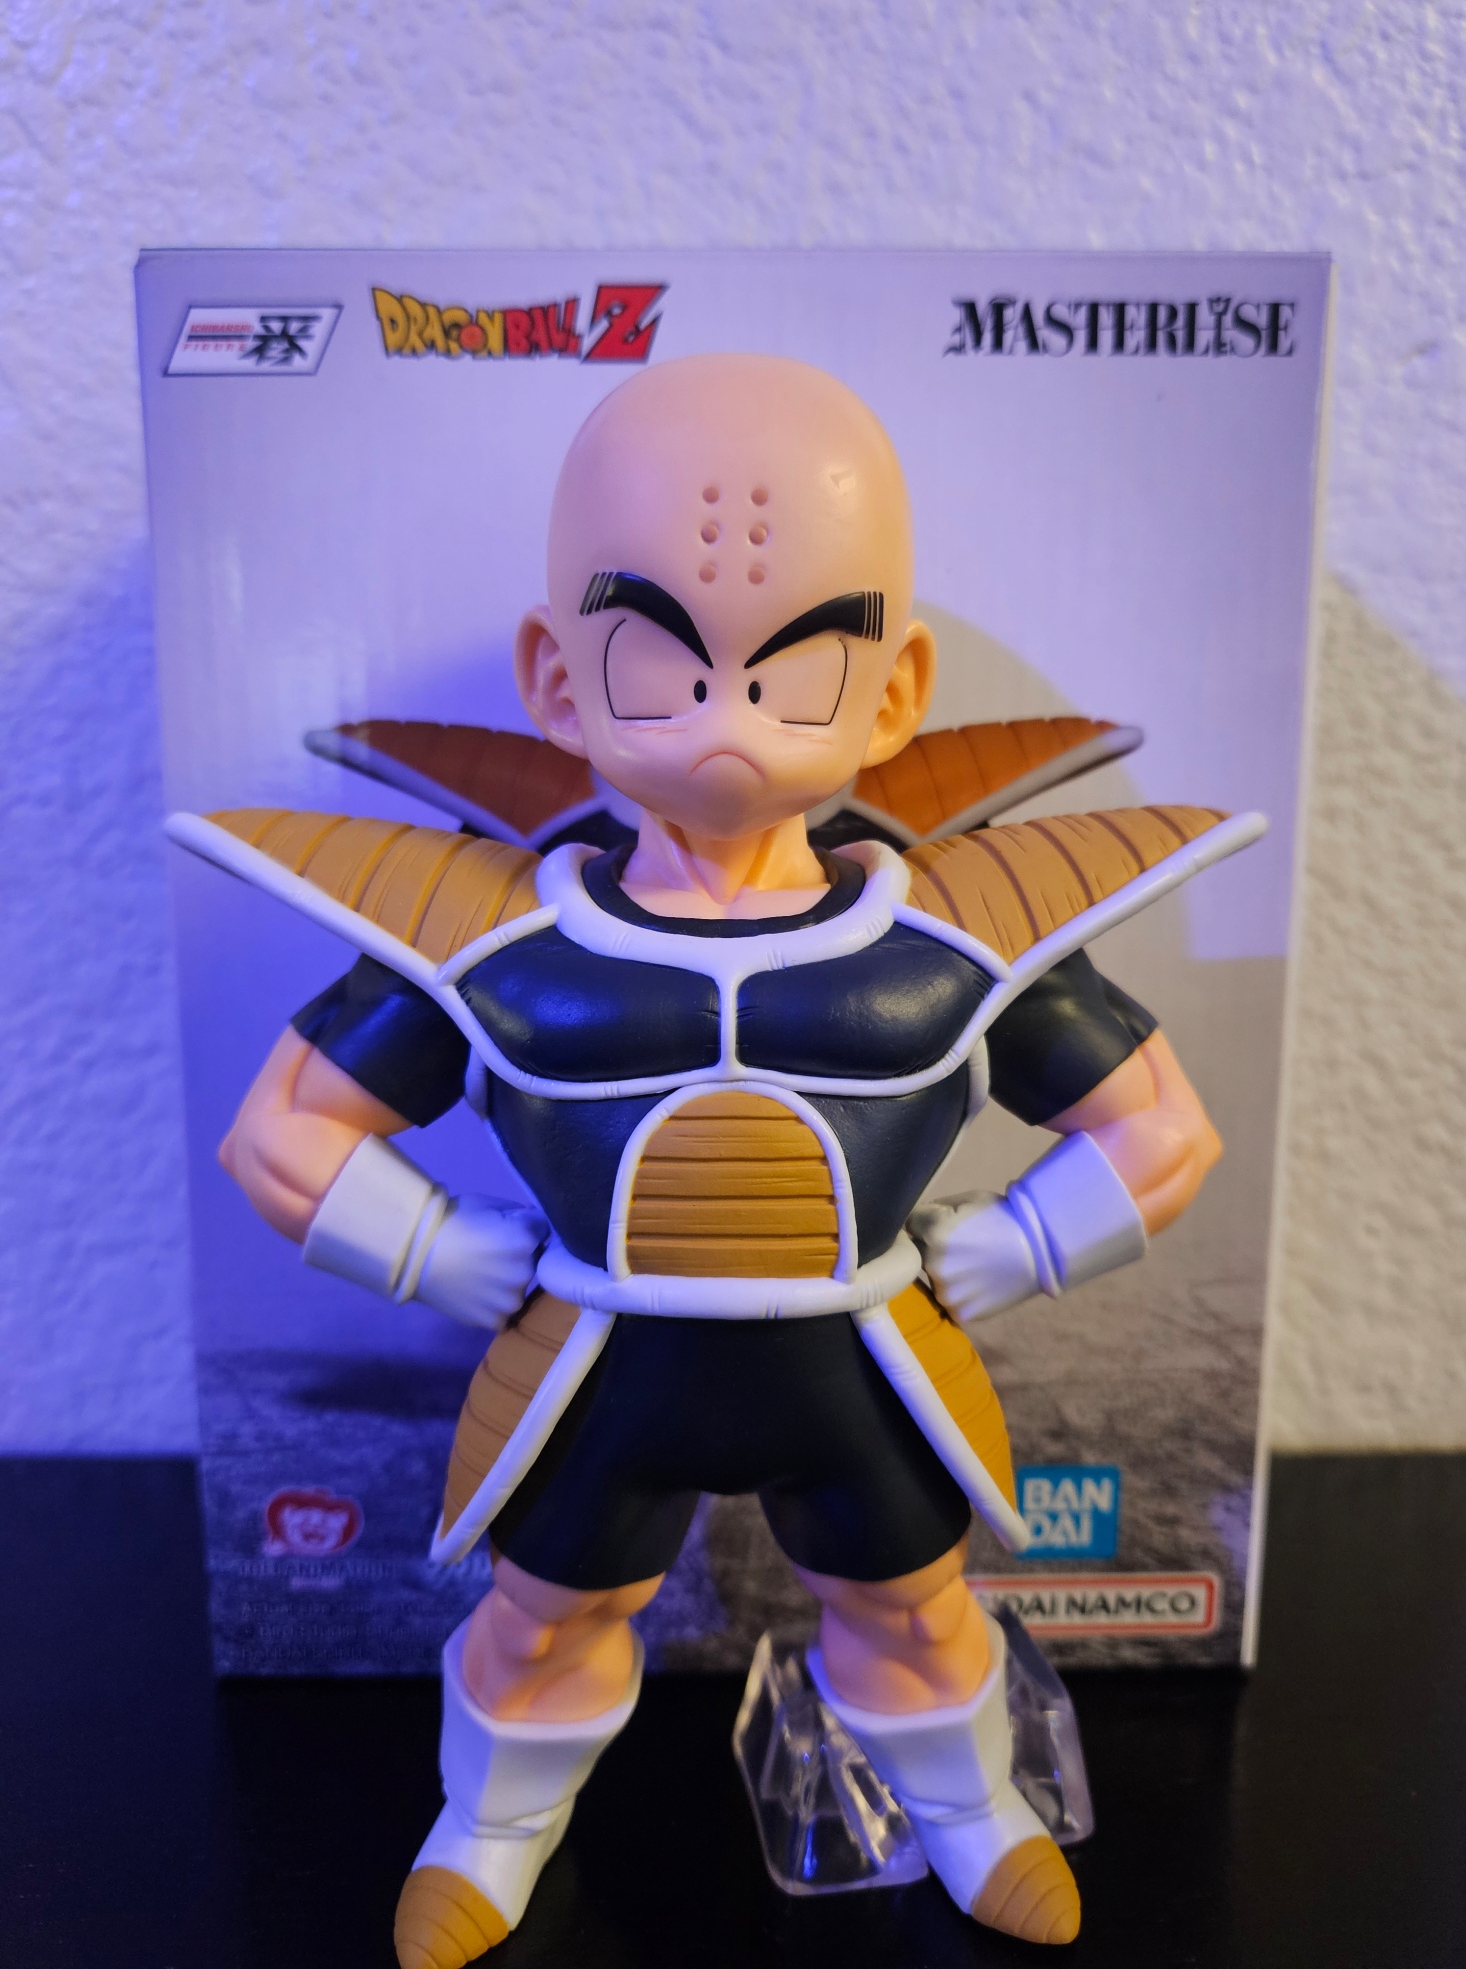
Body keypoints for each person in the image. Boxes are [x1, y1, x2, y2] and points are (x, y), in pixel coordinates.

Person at [178, 353, 1259, 1963]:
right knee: (542, 1624)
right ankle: (493, 1825)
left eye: (797, 669)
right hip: (595, 1363)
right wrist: (437, 1251)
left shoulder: (958, 938)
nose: (727, 721)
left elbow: (1161, 1128)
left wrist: (1018, 1244)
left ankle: (969, 1810)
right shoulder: (496, 940)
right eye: (656, 660)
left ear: (894, 690)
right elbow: (281, 1131)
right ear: (557, 680)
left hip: (860, 1361)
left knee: (914, 1611)